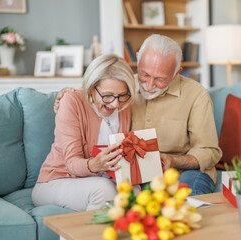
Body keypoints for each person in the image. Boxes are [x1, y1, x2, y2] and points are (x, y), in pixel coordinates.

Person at [55, 34, 222, 196]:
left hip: (186, 171)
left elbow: (209, 150)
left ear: (177, 71)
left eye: (160, 80)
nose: (149, 85)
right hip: (141, 173)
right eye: (145, 74)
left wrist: (174, 161)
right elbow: (93, 95)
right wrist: (66, 95)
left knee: (185, 202)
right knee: (140, 204)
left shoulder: (197, 95)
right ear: (137, 59)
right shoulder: (123, 88)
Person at [32, 54, 136, 211]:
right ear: (91, 88)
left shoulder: (124, 105)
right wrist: (95, 164)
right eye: (107, 96)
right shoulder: (71, 102)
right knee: (103, 189)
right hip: (58, 179)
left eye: (121, 95)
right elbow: (72, 163)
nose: (115, 104)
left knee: (135, 192)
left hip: (102, 179)